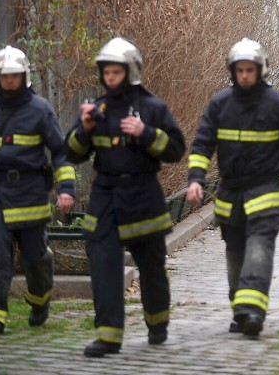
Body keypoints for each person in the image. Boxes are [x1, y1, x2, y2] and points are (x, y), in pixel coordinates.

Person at [65, 37, 185, 357]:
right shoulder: (97, 109)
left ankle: (157, 324)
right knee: (103, 264)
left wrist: (145, 133)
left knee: (152, 267)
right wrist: (85, 129)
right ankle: (108, 336)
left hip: (143, 194)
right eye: (106, 72)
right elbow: (72, 153)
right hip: (105, 195)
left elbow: (175, 151)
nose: (110, 78)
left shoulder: (153, 108)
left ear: (130, 71)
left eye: (116, 72)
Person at [186, 38, 279, 338]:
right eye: (241, 70)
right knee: (235, 253)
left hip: (265, 190)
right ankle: (240, 309)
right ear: (233, 71)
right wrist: (196, 179)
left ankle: (253, 311)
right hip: (230, 195)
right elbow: (201, 144)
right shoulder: (220, 103)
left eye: (251, 69)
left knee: (259, 250)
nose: (246, 75)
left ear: (261, 70)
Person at [0, 47, 76, 336]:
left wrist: (66, 188)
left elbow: (60, 152)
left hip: (31, 194)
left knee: (35, 258)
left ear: (25, 76)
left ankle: (39, 300)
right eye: (5, 76)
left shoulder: (40, 109)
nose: (10, 81)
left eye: (15, 76)